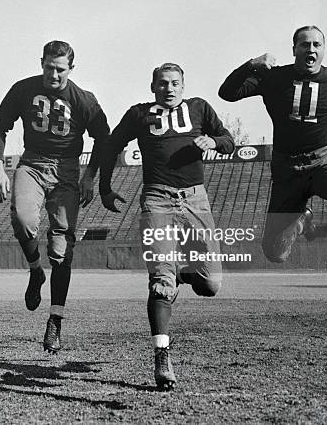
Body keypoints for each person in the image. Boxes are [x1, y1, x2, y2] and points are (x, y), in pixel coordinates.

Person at [99, 63, 234, 390]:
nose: (169, 88)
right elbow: (111, 145)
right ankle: (162, 355)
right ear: (153, 86)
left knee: (211, 284)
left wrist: (213, 143)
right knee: (160, 283)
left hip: (195, 200)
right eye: (163, 83)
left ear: (183, 86)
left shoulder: (200, 107)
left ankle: (181, 273)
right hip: (157, 200)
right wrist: (104, 187)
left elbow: (229, 140)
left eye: (175, 83)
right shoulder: (139, 114)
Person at [218, 25, 327, 286]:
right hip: (286, 168)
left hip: (324, 158)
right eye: (305, 44)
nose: (311, 49)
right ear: (294, 49)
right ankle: (302, 218)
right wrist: (251, 64)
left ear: (324, 50)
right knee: (275, 253)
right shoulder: (274, 78)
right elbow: (227, 93)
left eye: (317, 45)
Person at [0, 40, 110, 353]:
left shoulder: (83, 99)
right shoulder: (23, 89)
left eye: (60, 69)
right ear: (41, 62)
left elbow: (104, 138)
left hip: (68, 171)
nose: (53, 75)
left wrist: (90, 176)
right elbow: (0, 126)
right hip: (32, 162)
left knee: (61, 249)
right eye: (48, 67)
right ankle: (34, 270)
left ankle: (55, 320)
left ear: (72, 68)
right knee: (23, 218)